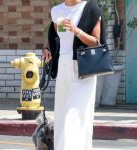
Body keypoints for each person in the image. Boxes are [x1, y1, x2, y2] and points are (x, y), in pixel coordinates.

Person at [42, 0, 107, 149]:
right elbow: (56, 38)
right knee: (62, 115)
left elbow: (96, 42)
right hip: (64, 67)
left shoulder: (91, 8)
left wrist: (75, 30)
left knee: (74, 116)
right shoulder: (57, 11)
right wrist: (48, 49)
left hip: (83, 70)